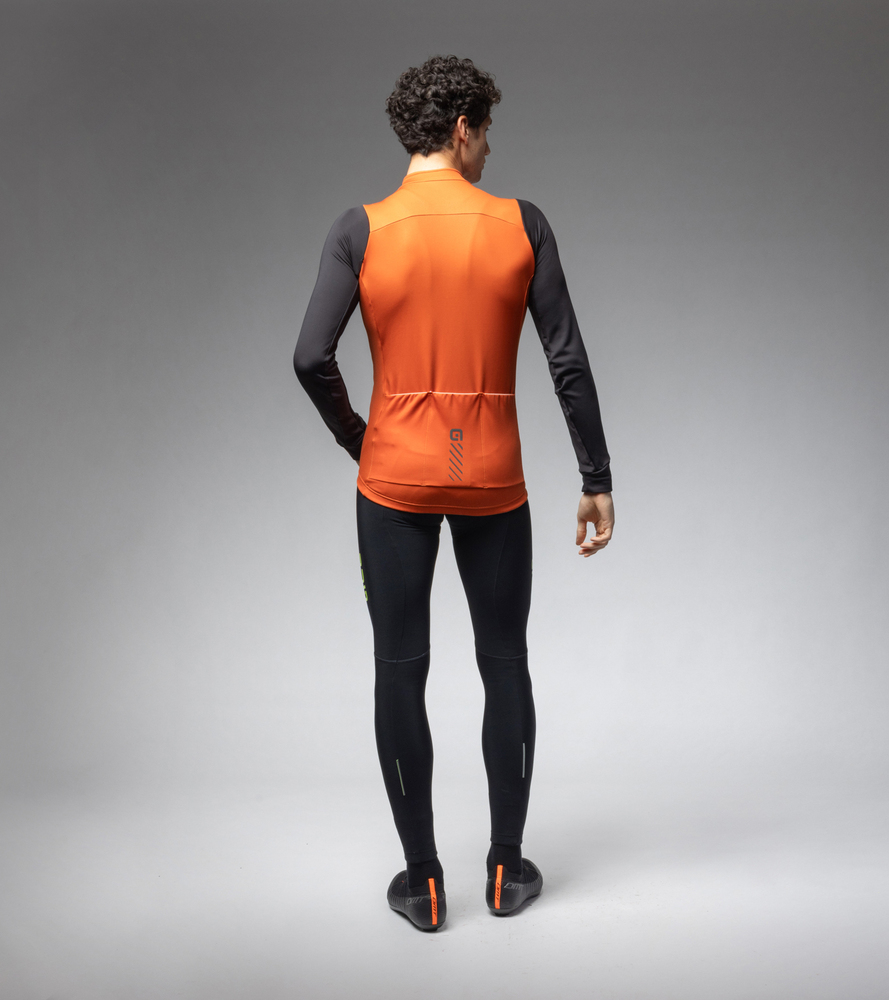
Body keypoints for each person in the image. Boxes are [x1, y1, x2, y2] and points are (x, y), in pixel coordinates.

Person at [294, 55, 614, 931]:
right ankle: (506, 871)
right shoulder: (522, 223)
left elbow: (309, 358)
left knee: (400, 670)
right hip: (493, 479)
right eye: (486, 133)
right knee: (503, 663)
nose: (488, 151)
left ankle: (424, 884)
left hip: (391, 479)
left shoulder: (358, 230)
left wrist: (360, 439)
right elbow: (566, 360)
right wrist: (594, 477)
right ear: (463, 127)